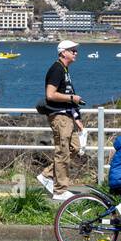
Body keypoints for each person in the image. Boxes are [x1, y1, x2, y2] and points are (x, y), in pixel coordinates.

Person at [38, 39, 85, 203]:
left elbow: (67, 96)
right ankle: (60, 190)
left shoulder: (65, 70)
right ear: (63, 52)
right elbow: (50, 94)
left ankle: (47, 175)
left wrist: (77, 117)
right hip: (59, 116)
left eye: (75, 50)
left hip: (68, 116)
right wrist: (72, 98)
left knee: (74, 147)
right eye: (72, 50)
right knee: (63, 151)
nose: (75, 53)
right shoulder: (56, 69)